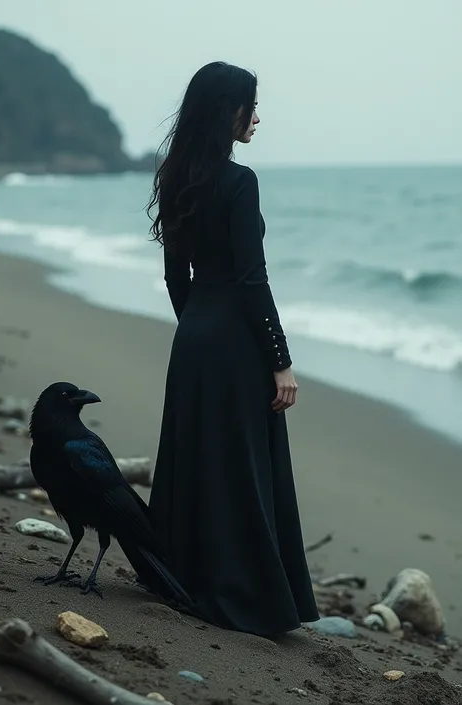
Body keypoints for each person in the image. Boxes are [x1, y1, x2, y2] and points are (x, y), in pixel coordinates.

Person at [146, 61, 319, 635]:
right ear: (229, 112)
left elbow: (177, 276)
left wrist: (197, 328)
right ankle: (251, 595)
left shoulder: (174, 176)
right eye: (250, 105)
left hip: (193, 337)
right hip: (235, 344)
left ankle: (180, 575)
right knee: (242, 468)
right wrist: (280, 360)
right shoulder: (240, 182)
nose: (256, 117)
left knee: (199, 459)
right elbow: (252, 279)